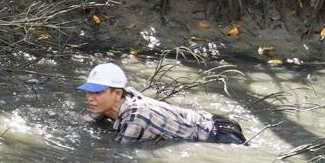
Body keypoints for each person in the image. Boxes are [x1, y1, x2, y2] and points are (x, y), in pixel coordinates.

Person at [79, 62, 247, 144]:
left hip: (219, 136)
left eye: (97, 92)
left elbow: (119, 150)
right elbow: (87, 121)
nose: (90, 98)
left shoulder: (136, 117)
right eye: (89, 91)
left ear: (117, 94)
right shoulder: (118, 98)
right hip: (209, 121)